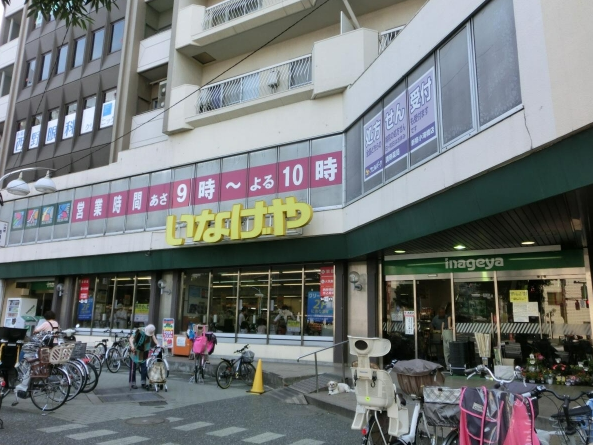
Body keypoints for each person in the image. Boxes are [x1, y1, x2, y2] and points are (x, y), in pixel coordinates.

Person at [129, 324, 158, 390]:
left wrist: (158, 345)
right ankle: (132, 383)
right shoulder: (139, 330)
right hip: (135, 351)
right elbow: (131, 338)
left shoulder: (151, 331)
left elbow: (154, 338)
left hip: (144, 353)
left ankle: (143, 383)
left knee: (144, 368)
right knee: (133, 369)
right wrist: (132, 346)